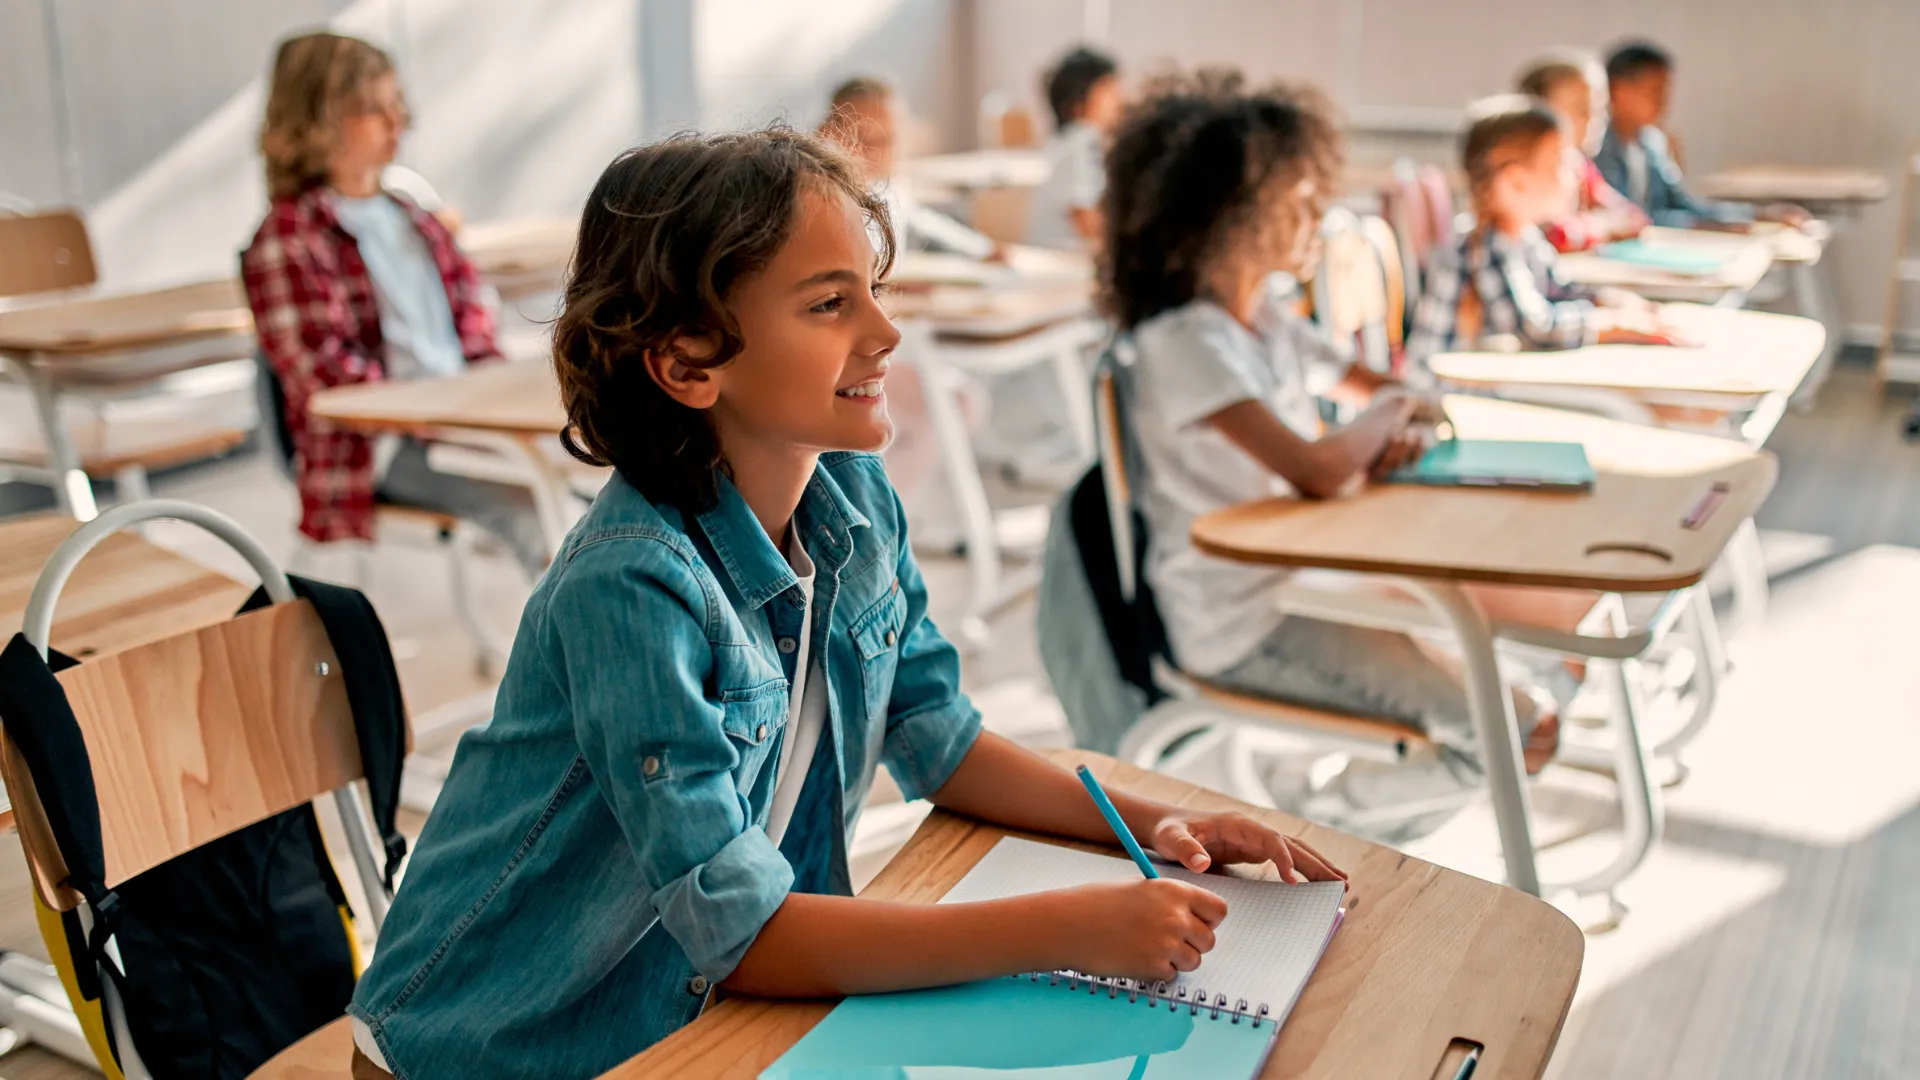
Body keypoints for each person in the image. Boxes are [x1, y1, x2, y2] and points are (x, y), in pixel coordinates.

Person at [344, 126, 1345, 1080]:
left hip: (689, 1002)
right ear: (690, 363)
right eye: (829, 305)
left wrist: (1171, 821)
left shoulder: (854, 498)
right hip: (497, 1044)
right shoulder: (630, 585)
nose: (886, 330)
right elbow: (747, 937)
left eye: (872, 290)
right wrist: (1074, 927)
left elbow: (937, 735)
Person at [1097, 73, 1585, 835]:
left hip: (1309, 582)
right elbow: (1321, 466)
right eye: (1295, 201)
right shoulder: (1184, 344)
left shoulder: (1265, 319)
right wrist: (1384, 420)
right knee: (1518, 725)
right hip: (1242, 624)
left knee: (1530, 680)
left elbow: (1383, 390)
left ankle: (1332, 814)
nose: (1315, 217)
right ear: (1226, 219)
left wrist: (1392, 419)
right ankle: (1319, 817)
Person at [240, 31, 546, 575]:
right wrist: (441, 414)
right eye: (370, 108)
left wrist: (490, 406)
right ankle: (578, 658)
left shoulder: (413, 216)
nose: (397, 119)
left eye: (396, 102)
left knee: (596, 487)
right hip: (381, 447)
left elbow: (472, 323)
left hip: (460, 420)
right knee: (534, 512)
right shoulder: (287, 237)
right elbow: (326, 379)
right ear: (316, 122)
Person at [1406, 96, 1682, 374]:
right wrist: (1611, 325)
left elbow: (1562, 288)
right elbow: (1535, 329)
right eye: (1559, 164)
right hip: (1441, 399)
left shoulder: (1524, 237)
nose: (1574, 177)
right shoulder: (1486, 245)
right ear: (1516, 182)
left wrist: (1613, 301)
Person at [1594, 41, 1808, 230]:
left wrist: (1755, 214)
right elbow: (1627, 217)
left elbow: (1683, 203)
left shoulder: (1651, 142)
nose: (1663, 102)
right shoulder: (1596, 145)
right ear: (1618, 90)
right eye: (1654, 91)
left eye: (1666, 92)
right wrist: (1705, 225)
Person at [818, 75, 997, 259]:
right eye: (864, 139)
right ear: (827, 133)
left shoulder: (885, 189)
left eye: (889, 139)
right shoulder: (820, 200)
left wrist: (984, 249)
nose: (879, 152)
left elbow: (921, 221)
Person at [1516, 56, 1648, 253]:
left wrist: (1587, 227)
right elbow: (1553, 236)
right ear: (1538, 114)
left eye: (1600, 110)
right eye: (1581, 109)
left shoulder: (1579, 166)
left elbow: (1633, 217)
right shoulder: (1525, 170)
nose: (1594, 121)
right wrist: (1603, 226)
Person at [1025, 45, 1123, 251]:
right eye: (1108, 89)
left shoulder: (1070, 140)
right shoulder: (1081, 142)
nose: (1119, 98)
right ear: (1078, 100)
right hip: (1062, 258)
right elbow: (1088, 223)